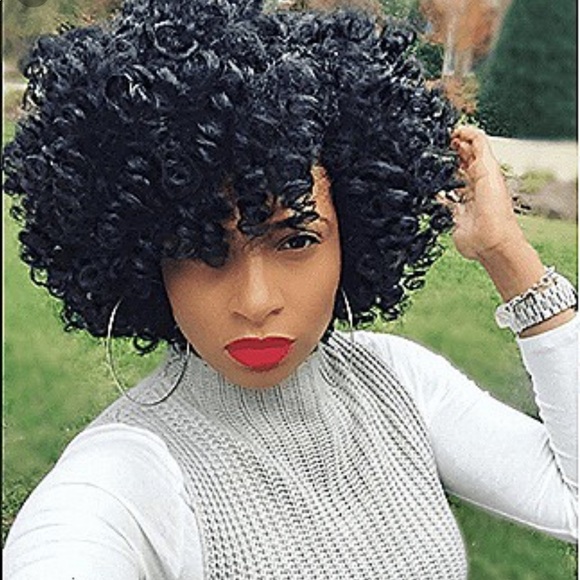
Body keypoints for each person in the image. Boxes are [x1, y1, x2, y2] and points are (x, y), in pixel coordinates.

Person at [3, 0, 577, 577]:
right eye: (202, 246)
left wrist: (506, 253)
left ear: (354, 230)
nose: (256, 302)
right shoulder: (120, 477)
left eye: (296, 239)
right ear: (143, 256)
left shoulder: (397, 382)